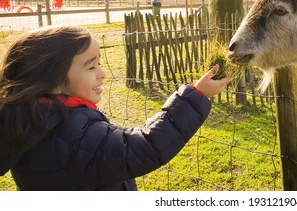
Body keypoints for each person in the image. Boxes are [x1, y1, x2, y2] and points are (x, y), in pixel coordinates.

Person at [0, 25, 229, 190]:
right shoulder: (75, 134)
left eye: (100, 63)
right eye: (91, 67)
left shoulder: (24, 117)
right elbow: (147, 146)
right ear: (53, 80)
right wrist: (196, 95)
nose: (102, 73)